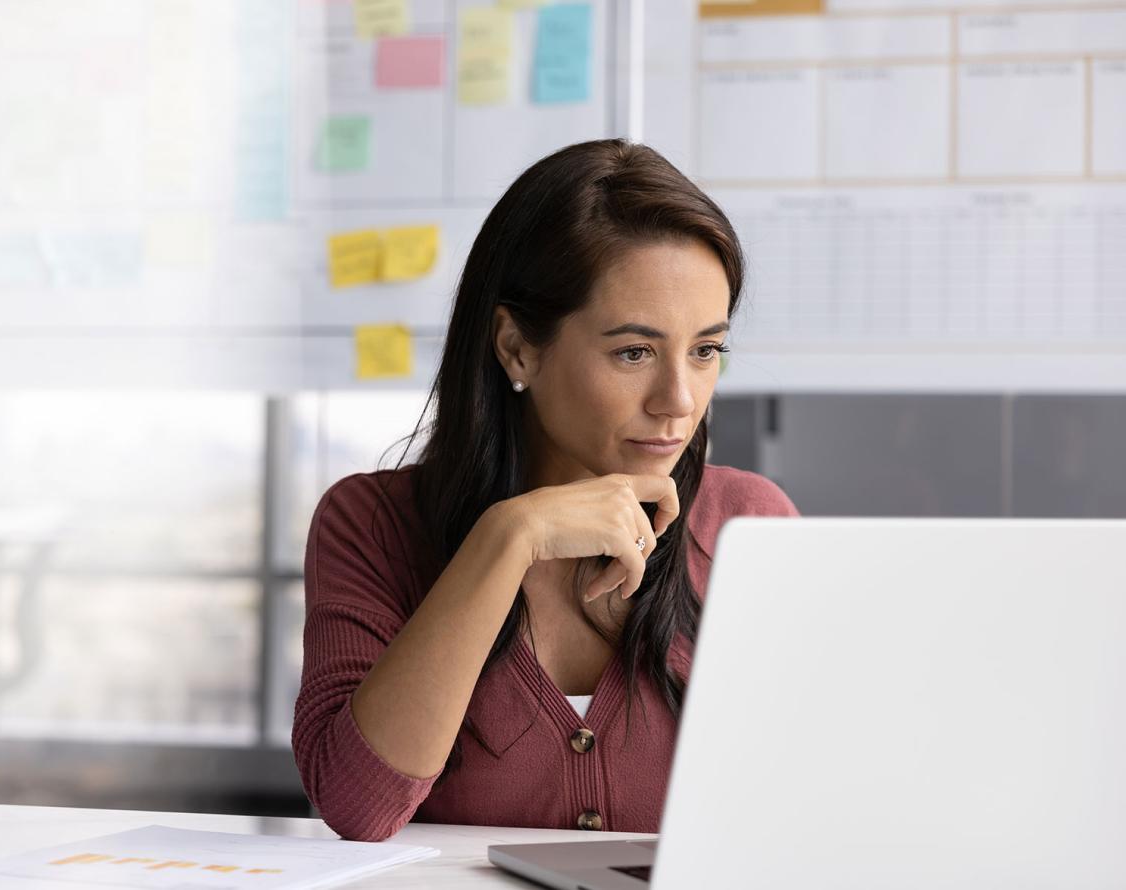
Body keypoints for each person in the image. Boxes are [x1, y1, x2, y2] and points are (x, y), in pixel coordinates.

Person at [291, 139, 799, 842]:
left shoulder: (748, 524)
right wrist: (509, 538)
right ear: (517, 348)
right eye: (634, 352)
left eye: (705, 350)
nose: (680, 400)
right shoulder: (371, 524)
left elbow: (813, 802)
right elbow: (358, 806)